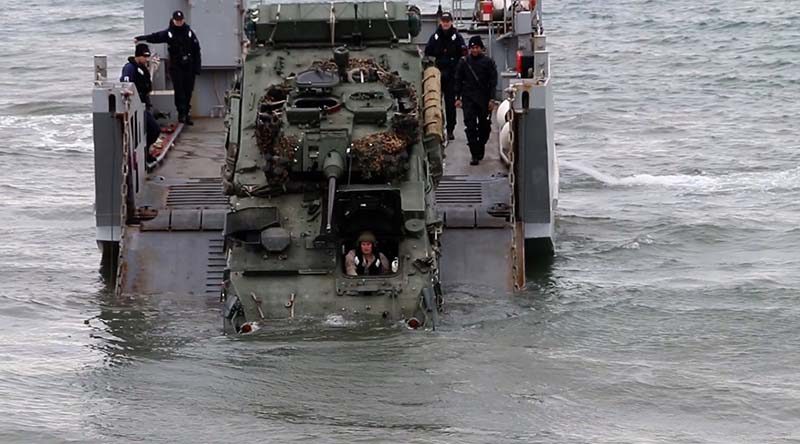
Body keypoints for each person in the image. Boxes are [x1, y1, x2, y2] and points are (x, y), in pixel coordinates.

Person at [135, 10, 201, 125]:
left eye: (181, 20)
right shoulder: (169, 33)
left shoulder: (189, 33)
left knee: (188, 91)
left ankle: (187, 113)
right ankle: (181, 114)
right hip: (176, 67)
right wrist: (140, 38)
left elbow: (197, 51)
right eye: (177, 20)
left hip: (189, 67)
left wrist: (197, 68)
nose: (179, 22)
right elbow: (155, 37)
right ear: (173, 20)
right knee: (179, 90)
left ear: (183, 20)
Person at [454, 35, 498, 165]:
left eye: (477, 47)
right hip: (468, 98)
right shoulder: (464, 62)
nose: (474, 50)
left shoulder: (488, 63)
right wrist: (458, 97)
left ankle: (481, 145)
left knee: (484, 127)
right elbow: (458, 80)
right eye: (472, 48)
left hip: (483, 98)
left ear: (481, 48)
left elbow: (493, 81)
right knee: (470, 126)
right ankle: (474, 153)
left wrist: (492, 99)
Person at [424, 12, 466, 141]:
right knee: (435, 102)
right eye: (444, 21)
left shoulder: (457, 38)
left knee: (450, 104)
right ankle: (436, 127)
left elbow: (463, 55)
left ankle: (450, 129)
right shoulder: (435, 37)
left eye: (448, 21)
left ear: (451, 22)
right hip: (438, 74)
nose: (446, 23)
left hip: (452, 75)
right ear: (440, 22)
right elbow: (427, 53)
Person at [120, 43, 160, 162]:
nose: (147, 59)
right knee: (154, 129)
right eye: (145, 56)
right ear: (138, 55)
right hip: (136, 105)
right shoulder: (130, 68)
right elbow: (125, 82)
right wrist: (127, 91)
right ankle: (143, 154)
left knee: (148, 130)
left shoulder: (142, 67)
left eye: (148, 56)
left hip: (143, 104)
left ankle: (145, 152)